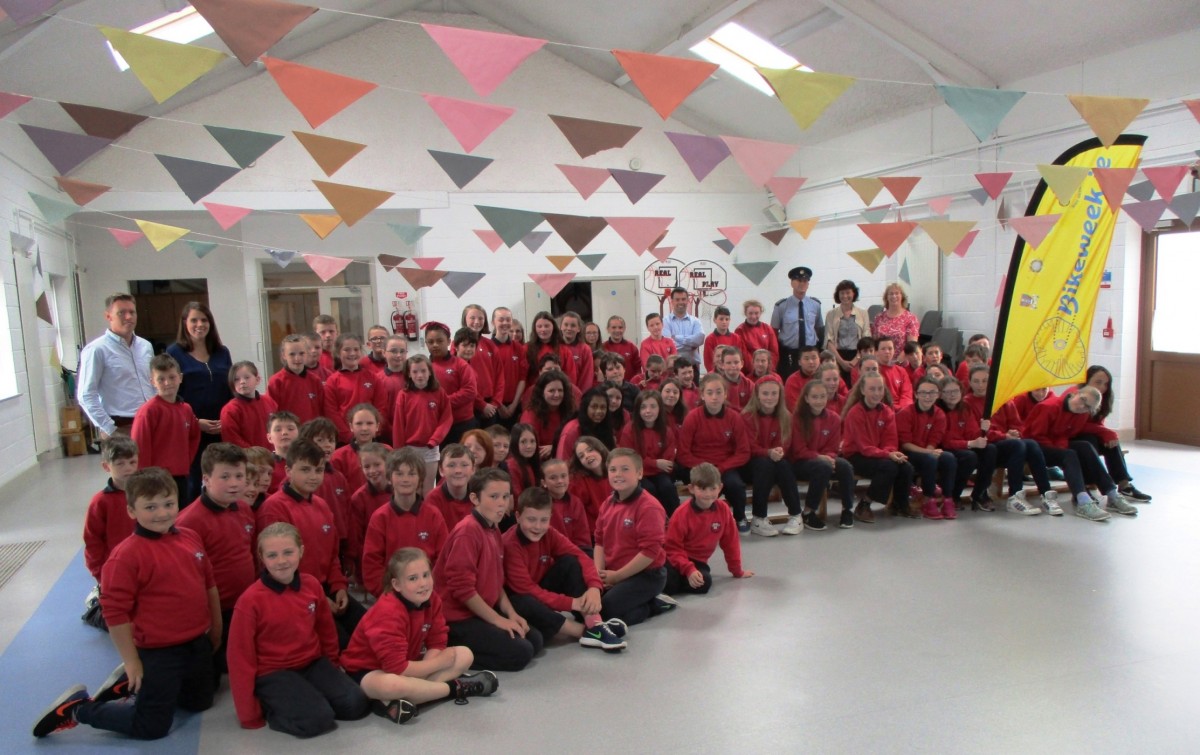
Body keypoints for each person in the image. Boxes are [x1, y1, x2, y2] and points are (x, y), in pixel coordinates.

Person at [34, 468, 221, 740]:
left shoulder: (189, 538)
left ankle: (134, 685)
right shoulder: (125, 557)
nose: (162, 513)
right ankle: (78, 709)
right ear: (132, 511)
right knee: (153, 727)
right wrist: (132, 660)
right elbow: (115, 613)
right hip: (159, 650)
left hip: (196, 642)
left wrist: (214, 629)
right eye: (150, 507)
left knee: (200, 702)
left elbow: (209, 585)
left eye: (169, 504)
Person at [227, 522, 370, 737]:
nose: (281, 561)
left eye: (288, 552)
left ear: (301, 551)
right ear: (261, 557)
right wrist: (248, 714)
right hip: (274, 672)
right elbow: (239, 658)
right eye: (272, 555)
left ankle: (308, 696)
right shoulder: (250, 601)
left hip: (311, 663)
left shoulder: (311, 585)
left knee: (356, 704)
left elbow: (326, 632)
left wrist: (331, 669)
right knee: (318, 720)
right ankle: (273, 706)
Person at [341, 548, 497, 724]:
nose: (423, 583)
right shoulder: (387, 611)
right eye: (413, 578)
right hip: (369, 671)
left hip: (410, 664)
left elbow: (437, 641)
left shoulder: (432, 599)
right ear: (396, 585)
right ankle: (454, 688)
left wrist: (428, 665)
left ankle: (398, 700)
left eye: (426, 575)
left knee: (464, 655)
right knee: (392, 685)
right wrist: (437, 663)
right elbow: (397, 668)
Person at [256, 439, 365, 647]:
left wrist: (340, 587)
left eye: (318, 470)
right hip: (295, 593)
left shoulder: (322, 505)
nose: (313, 476)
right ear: (288, 470)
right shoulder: (274, 508)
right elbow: (279, 570)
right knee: (344, 645)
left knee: (371, 628)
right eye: (305, 470)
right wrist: (321, 598)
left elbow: (333, 556)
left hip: (328, 589)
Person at [435, 467, 543, 671]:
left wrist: (510, 614)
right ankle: (451, 653)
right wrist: (498, 621)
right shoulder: (468, 532)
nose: (502, 503)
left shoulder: (493, 528)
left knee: (535, 640)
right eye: (494, 496)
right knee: (522, 653)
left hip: (480, 610)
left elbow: (496, 580)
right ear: (475, 498)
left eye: (505, 496)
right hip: (457, 619)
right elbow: (463, 590)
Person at [503, 488, 625, 651]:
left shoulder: (549, 534)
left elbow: (580, 556)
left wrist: (594, 588)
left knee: (571, 562)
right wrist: (573, 603)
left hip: (541, 589)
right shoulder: (510, 544)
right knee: (524, 602)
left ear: (550, 519)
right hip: (520, 601)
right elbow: (528, 590)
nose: (537, 527)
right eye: (531, 520)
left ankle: (595, 623)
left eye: (543, 520)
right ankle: (586, 632)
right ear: (518, 517)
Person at [175, 442, 255, 679]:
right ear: (206, 479)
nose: (234, 483)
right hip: (213, 612)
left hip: (244, 605)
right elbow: (186, 580)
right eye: (225, 477)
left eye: (239, 476)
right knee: (213, 675)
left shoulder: (242, 508)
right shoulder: (189, 522)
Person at [1023, 386, 1138, 521]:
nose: (1082, 406)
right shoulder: (1049, 407)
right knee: (1069, 454)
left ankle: (1111, 493)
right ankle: (1082, 500)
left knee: (1085, 446)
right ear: (1075, 394)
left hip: (1057, 444)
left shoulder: (1082, 414)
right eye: (1082, 400)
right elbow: (1035, 436)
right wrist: (1061, 446)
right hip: (1036, 446)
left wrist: (1106, 432)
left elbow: (1075, 430)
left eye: (1087, 407)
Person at [594, 448, 671, 625]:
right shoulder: (607, 503)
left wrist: (617, 577)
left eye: (625, 469)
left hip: (646, 575)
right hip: (614, 572)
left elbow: (650, 552)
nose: (618, 474)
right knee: (586, 607)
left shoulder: (649, 507)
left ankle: (653, 604)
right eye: (613, 470)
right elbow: (599, 541)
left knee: (607, 610)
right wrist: (599, 575)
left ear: (639, 473)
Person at [361, 448, 449, 599]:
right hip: (391, 596)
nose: (405, 479)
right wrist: (389, 594)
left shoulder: (434, 515)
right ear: (389, 478)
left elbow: (443, 561)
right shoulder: (380, 518)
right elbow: (372, 565)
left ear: (421, 479)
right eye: (399, 473)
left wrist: (428, 593)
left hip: (428, 595)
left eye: (412, 473)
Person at [166, 302, 233, 501]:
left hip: (221, 427)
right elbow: (172, 396)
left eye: (204, 320)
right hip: (192, 429)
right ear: (184, 323)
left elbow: (231, 388)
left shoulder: (222, 352)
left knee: (222, 478)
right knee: (195, 482)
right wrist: (196, 423)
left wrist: (227, 420)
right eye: (194, 320)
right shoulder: (174, 353)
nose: (199, 324)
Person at [664, 463, 753, 595]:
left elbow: (731, 543)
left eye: (712, 489)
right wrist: (688, 570)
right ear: (691, 488)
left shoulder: (724, 510)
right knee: (669, 581)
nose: (708, 494)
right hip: (674, 559)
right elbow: (672, 548)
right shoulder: (681, 514)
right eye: (702, 489)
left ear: (720, 488)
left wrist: (737, 571)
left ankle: (667, 586)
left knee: (704, 583)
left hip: (698, 561)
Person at [678, 374, 750, 532]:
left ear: (725, 394)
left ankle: (740, 518)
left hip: (724, 466)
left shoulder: (734, 417)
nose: (714, 397)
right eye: (710, 393)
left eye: (718, 392)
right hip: (699, 466)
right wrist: (703, 467)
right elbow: (683, 453)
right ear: (702, 395)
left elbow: (743, 452)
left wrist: (722, 467)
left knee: (735, 485)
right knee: (702, 488)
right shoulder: (692, 417)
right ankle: (700, 522)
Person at [82, 435, 140, 630]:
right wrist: (100, 574)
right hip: (115, 569)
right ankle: (96, 604)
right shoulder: (100, 502)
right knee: (119, 621)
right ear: (107, 467)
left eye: (132, 462)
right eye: (120, 463)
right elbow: (92, 541)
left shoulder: (146, 494)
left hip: (143, 564)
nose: (128, 468)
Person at [77, 293, 154, 438]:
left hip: (150, 424)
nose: (128, 317)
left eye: (132, 312)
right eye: (121, 313)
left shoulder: (145, 346)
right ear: (108, 316)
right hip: (120, 427)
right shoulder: (97, 350)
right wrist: (110, 429)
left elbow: (153, 384)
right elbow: (86, 395)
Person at [841, 373, 915, 523]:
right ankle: (864, 504)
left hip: (879, 454)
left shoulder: (887, 411)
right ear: (862, 390)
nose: (876, 393)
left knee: (906, 467)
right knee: (889, 467)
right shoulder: (856, 412)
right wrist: (888, 455)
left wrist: (891, 453)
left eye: (880, 388)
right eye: (872, 389)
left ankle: (899, 504)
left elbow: (891, 441)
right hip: (856, 455)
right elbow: (864, 447)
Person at [131, 354, 200, 504]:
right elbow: (140, 447)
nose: (167, 383)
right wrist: (146, 478)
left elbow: (194, 436)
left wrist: (186, 461)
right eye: (161, 379)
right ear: (152, 382)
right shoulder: (148, 411)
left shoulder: (186, 409)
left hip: (181, 476)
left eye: (172, 377)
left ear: (180, 378)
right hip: (156, 479)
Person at [1077, 365, 1152, 501]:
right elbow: (1077, 426)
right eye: (1098, 382)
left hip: (1090, 434)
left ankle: (1124, 485)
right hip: (1074, 437)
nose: (1102, 387)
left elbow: (1097, 424)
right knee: (1089, 441)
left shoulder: (1103, 399)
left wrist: (1106, 434)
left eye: (1106, 384)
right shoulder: (1079, 397)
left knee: (1111, 442)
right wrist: (1105, 432)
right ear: (1087, 381)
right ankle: (1085, 486)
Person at [790, 379, 858, 530]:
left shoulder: (833, 418)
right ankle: (808, 512)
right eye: (814, 397)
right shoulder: (797, 418)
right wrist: (821, 457)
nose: (819, 400)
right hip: (801, 462)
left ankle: (847, 510)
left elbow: (833, 448)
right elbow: (798, 450)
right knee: (823, 467)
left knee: (845, 466)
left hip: (826, 459)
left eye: (822, 396)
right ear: (806, 398)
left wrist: (829, 457)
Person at [741, 375, 802, 536]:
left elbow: (787, 442)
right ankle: (759, 518)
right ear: (757, 395)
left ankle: (796, 515)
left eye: (774, 393)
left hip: (775, 461)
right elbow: (748, 447)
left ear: (780, 395)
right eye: (765, 393)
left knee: (783, 465)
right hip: (750, 464)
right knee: (764, 463)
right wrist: (768, 452)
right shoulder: (747, 416)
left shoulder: (786, 416)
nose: (770, 397)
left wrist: (780, 451)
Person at [897, 377, 957, 520]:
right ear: (916, 394)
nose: (928, 396)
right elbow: (905, 443)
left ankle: (948, 498)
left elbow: (934, 439)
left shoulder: (939, 414)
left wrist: (930, 450)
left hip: (928, 451)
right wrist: (929, 452)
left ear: (938, 395)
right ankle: (928, 499)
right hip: (909, 452)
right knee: (929, 459)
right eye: (923, 393)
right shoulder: (906, 413)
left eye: (932, 392)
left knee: (949, 458)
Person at [393, 353, 451, 492]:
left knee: (428, 489)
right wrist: (399, 451)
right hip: (409, 449)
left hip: (430, 449)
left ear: (430, 372)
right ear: (409, 374)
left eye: (423, 371)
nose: (419, 375)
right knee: (413, 488)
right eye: (415, 371)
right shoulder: (404, 395)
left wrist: (434, 439)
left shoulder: (439, 393)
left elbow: (446, 419)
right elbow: (398, 425)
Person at [619, 389, 680, 517]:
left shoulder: (666, 430)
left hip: (659, 473)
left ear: (659, 409)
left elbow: (668, 459)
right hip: (638, 473)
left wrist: (656, 465)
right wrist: (655, 463)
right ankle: (654, 518)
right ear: (637, 410)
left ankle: (676, 519)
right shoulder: (629, 430)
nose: (648, 411)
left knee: (667, 487)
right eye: (643, 407)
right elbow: (629, 458)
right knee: (648, 489)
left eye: (653, 406)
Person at [425, 322, 479, 444]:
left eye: (439, 341)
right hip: (435, 424)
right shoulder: (423, 367)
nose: (435, 345)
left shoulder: (461, 365)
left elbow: (469, 392)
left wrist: (442, 402)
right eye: (431, 342)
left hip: (461, 424)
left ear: (449, 342)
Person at [771, 266, 824, 380]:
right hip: (790, 354)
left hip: (810, 352)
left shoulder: (815, 305)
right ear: (792, 283)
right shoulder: (781, 306)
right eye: (798, 280)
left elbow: (819, 329)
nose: (802, 283)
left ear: (808, 284)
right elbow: (774, 332)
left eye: (805, 281)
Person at [267, 334, 325, 425]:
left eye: (301, 353)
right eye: (292, 354)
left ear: (307, 353)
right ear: (284, 355)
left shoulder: (315, 380)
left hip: (311, 433)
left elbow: (322, 410)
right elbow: (272, 413)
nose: (297, 358)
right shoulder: (276, 381)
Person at [520, 369, 576, 460]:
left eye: (560, 390)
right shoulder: (530, 415)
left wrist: (553, 447)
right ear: (541, 392)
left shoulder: (570, 410)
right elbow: (527, 446)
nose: (557, 395)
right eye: (551, 391)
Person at [221, 361, 278, 450]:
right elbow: (232, 440)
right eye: (236, 379)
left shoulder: (269, 402)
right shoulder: (230, 410)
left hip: (272, 455)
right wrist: (253, 455)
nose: (242, 382)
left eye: (247, 377)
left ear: (257, 379)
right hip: (248, 459)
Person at [824, 279, 870, 382]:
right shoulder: (831, 314)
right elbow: (828, 340)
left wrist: (856, 360)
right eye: (842, 293)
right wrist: (841, 362)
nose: (845, 296)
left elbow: (866, 340)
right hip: (837, 357)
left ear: (854, 293)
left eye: (848, 292)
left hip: (858, 356)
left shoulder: (863, 313)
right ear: (838, 295)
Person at [556, 385, 616, 461]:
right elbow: (563, 461)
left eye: (603, 407)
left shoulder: (606, 427)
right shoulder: (571, 431)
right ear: (585, 407)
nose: (599, 411)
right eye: (594, 406)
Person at [426, 443, 477, 530]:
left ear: (473, 469)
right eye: (451, 465)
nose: (458, 470)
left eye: (464, 465)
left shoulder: (480, 496)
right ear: (441, 470)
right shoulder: (433, 498)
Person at [569, 436, 610, 532]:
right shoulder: (578, 481)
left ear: (600, 449)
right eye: (581, 456)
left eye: (590, 450)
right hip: (595, 532)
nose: (587, 456)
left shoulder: (616, 470)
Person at [661, 287, 704, 368]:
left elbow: (700, 339)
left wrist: (677, 338)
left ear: (687, 301)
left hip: (693, 367)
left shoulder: (696, 321)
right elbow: (668, 345)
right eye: (677, 299)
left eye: (683, 299)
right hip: (672, 368)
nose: (680, 302)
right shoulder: (665, 321)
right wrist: (690, 345)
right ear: (672, 301)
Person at [735, 299, 779, 376]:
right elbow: (743, 354)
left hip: (767, 371)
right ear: (745, 313)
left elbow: (774, 352)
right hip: (749, 373)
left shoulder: (767, 328)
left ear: (761, 313)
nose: (753, 316)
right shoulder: (740, 331)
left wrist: (768, 369)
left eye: (756, 313)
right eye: (750, 313)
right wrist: (756, 371)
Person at [558, 311, 596, 392]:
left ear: (579, 328)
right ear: (560, 326)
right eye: (566, 325)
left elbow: (587, 378)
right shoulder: (554, 347)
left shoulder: (585, 349)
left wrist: (580, 396)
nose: (569, 328)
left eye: (573, 325)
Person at [602, 314, 642, 380]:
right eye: (614, 327)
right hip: (608, 387)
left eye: (620, 327)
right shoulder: (602, 347)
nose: (617, 330)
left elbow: (638, 370)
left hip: (628, 386)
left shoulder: (632, 347)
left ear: (624, 329)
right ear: (608, 329)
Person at [703, 306, 740, 373]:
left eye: (727, 319)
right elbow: (708, 361)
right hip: (716, 375)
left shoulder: (736, 338)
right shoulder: (710, 339)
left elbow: (739, 357)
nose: (724, 322)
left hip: (732, 372)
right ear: (715, 320)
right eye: (721, 319)